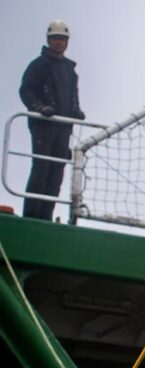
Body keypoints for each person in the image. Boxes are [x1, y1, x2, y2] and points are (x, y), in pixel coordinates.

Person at [18, 20, 85, 221]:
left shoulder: (70, 70)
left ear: (67, 42)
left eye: (62, 39)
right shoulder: (38, 66)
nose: (59, 42)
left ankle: (46, 216)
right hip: (44, 127)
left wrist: (76, 110)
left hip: (63, 129)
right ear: (49, 40)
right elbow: (26, 91)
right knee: (41, 169)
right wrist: (39, 108)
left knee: (56, 174)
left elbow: (73, 95)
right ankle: (31, 215)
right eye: (55, 39)